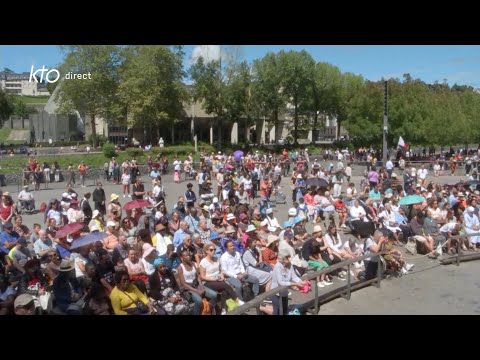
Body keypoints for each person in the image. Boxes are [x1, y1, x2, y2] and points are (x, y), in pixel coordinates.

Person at [270, 249, 306, 315]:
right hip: (276, 293)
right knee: (277, 311)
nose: (289, 258)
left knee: (284, 310)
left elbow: (294, 276)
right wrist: (294, 284)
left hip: (284, 292)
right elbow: (280, 282)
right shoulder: (278, 266)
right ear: (282, 258)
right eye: (287, 257)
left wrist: (301, 282)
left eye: (289, 256)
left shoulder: (289, 265)